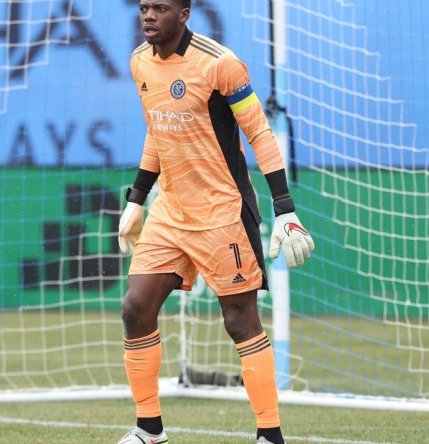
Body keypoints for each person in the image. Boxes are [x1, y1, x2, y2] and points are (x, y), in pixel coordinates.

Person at [117, 1, 314, 443]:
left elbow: (259, 132)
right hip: (169, 212)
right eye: (144, 7)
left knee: (239, 321)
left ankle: (270, 435)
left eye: (160, 9)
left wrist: (284, 206)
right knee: (135, 309)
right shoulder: (139, 63)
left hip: (222, 213)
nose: (148, 16)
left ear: (184, 15)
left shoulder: (220, 64)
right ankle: (149, 430)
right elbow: (157, 131)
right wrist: (138, 198)